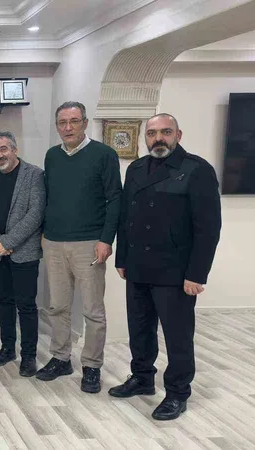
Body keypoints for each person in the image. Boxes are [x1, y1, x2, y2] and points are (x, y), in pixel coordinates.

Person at [110, 113, 221, 421]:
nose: (158, 138)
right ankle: (142, 378)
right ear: (145, 137)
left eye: (165, 132)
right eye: (152, 133)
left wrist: (197, 274)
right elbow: (126, 217)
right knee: (139, 328)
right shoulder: (135, 168)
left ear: (178, 135)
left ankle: (177, 392)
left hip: (175, 270)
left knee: (177, 335)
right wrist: (122, 258)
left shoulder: (197, 169)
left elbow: (208, 228)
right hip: (138, 265)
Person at [37, 101, 122, 394]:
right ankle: (61, 358)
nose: (68, 127)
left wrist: (106, 239)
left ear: (85, 123)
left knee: (92, 310)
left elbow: (115, 199)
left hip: (89, 244)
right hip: (54, 242)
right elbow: (49, 197)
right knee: (57, 306)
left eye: (74, 121)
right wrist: (44, 233)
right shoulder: (52, 156)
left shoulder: (104, 155)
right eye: (62, 122)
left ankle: (92, 366)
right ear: (57, 126)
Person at [0, 131, 45, 377]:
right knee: (4, 302)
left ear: (14, 149)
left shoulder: (34, 175)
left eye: (3, 149)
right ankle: (7, 349)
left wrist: (8, 241)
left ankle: (29, 356)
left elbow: (36, 213)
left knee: (26, 305)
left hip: (24, 252)